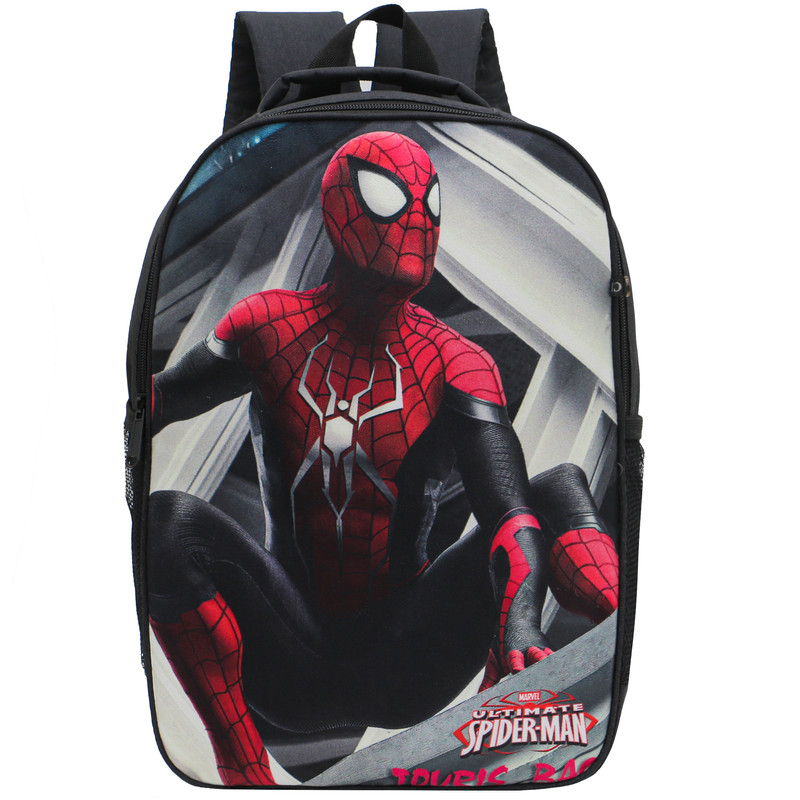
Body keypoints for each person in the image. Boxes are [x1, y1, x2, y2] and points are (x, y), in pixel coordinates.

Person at [147, 131, 618, 786]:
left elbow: (510, 514)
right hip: (290, 657)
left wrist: (518, 623)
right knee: (166, 521)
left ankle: (624, 640)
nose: (417, 220)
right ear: (340, 205)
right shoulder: (266, 327)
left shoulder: (456, 363)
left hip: (406, 659)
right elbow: (157, 400)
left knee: (561, 488)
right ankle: (241, 762)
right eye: (390, 197)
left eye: (430, 201)